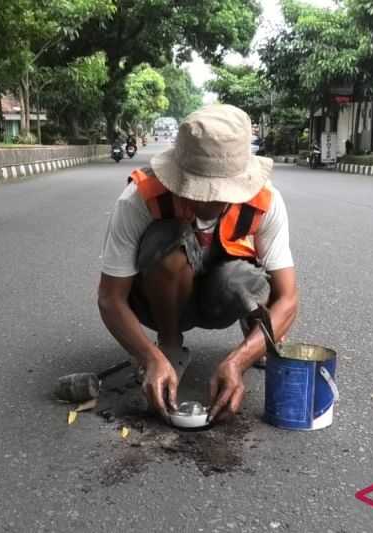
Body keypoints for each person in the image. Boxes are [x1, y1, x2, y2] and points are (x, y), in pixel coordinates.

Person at [98, 104, 299, 424]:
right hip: (159, 302)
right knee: (170, 242)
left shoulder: (265, 201)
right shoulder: (140, 197)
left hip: (222, 299)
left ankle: (255, 337)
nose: (207, 201)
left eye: (220, 193)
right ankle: (169, 345)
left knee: (243, 279)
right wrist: (148, 357)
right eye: (198, 189)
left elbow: (288, 298)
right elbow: (110, 298)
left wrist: (239, 360)